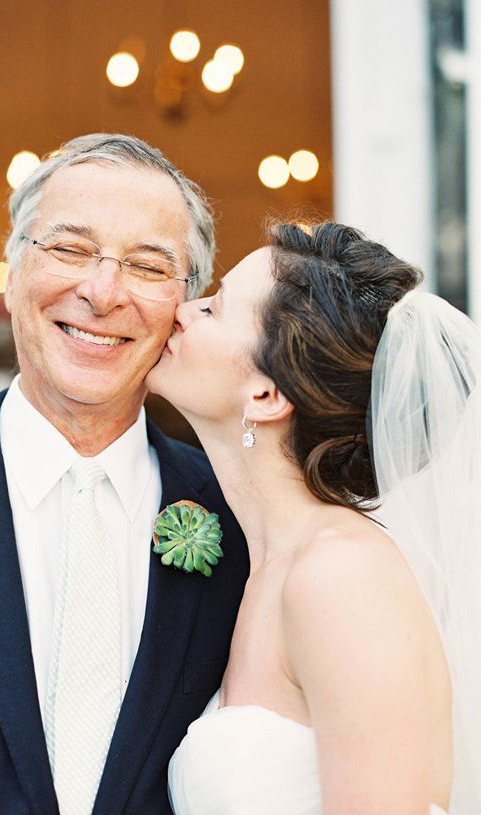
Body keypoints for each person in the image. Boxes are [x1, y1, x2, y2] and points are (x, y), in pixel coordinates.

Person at [0, 134, 248, 815]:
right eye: (71, 248)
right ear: (12, 266)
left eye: (146, 265)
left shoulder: (244, 522)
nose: (101, 292)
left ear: (186, 305)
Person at [148, 221, 481, 814]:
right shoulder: (268, 568)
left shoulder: (341, 578)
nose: (182, 309)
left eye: (215, 308)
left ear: (267, 396)